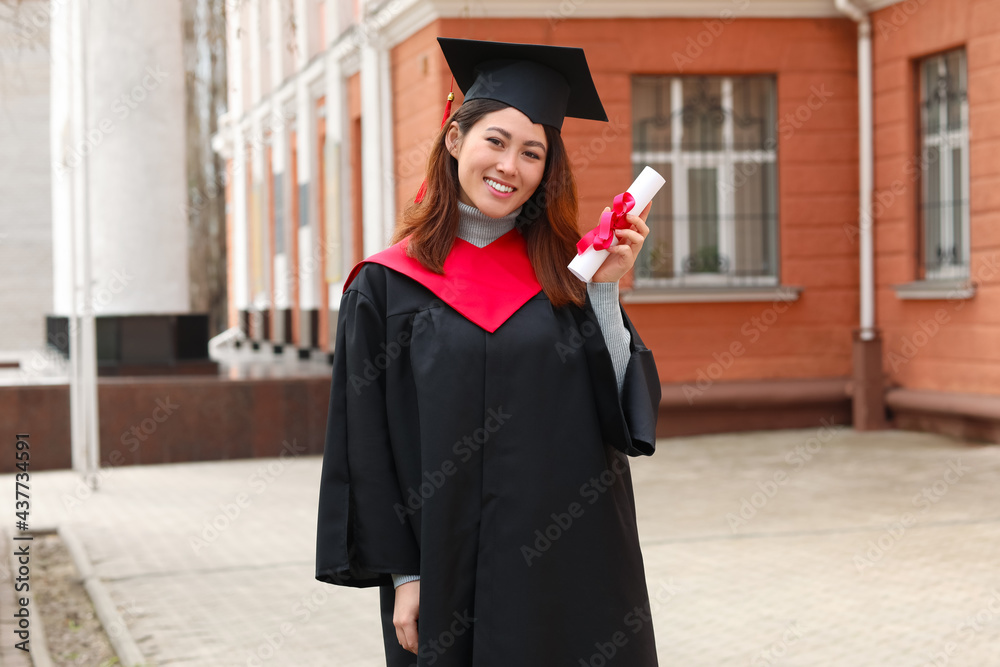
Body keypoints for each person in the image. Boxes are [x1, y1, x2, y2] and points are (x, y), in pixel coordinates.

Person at [316, 37, 661, 667]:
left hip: (572, 566)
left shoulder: (569, 275)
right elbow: (365, 443)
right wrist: (403, 577)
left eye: (532, 152)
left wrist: (606, 291)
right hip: (446, 569)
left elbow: (620, 415)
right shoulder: (385, 285)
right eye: (495, 141)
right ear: (455, 140)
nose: (511, 165)